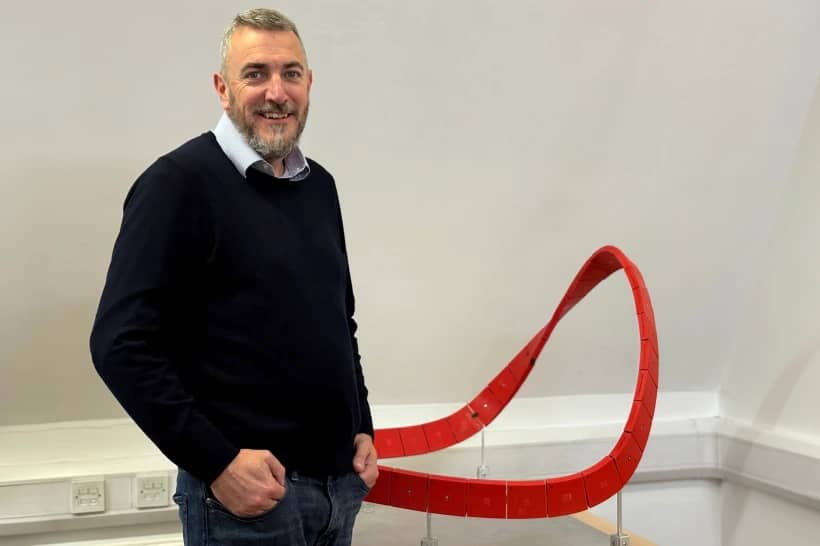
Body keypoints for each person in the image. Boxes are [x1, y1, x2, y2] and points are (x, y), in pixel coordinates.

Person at [90, 8, 378, 545]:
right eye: (256, 74)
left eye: (291, 73)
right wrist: (217, 461)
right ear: (223, 89)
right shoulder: (177, 185)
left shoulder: (320, 188)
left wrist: (362, 425)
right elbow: (119, 344)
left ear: (309, 84)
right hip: (246, 507)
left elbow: (341, 323)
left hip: (340, 492)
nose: (277, 91)